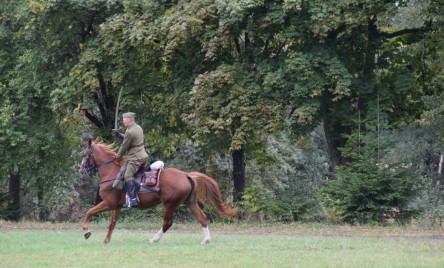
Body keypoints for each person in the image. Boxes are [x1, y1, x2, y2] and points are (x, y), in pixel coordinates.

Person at [112, 112, 148, 208]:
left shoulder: (129, 132)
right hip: (143, 155)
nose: (123, 122)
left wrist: (118, 156)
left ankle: (133, 199)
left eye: (124, 120)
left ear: (129, 120)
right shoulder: (137, 127)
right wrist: (120, 135)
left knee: (128, 175)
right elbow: (131, 139)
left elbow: (124, 146)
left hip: (136, 158)